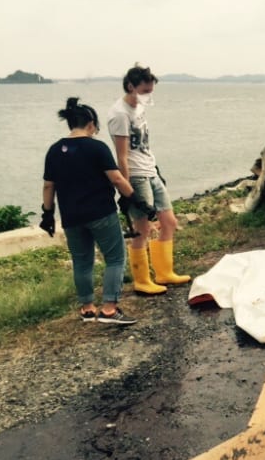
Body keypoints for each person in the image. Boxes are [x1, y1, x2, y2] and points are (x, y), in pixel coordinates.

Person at [41, 98, 155, 325]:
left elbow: (48, 186)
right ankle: (110, 310)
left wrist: (47, 215)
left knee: (82, 262)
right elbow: (116, 179)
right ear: (91, 124)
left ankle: (87, 309)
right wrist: (137, 201)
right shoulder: (97, 147)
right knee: (115, 258)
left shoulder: (54, 150)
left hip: (71, 217)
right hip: (101, 212)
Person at [107, 64, 190, 295]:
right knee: (142, 229)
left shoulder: (138, 108)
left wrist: (157, 169)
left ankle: (164, 272)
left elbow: (143, 145)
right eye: (144, 91)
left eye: (150, 91)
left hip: (151, 170)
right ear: (131, 87)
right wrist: (126, 190)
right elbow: (122, 156)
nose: (147, 95)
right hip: (136, 176)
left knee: (169, 222)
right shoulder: (119, 114)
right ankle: (142, 280)